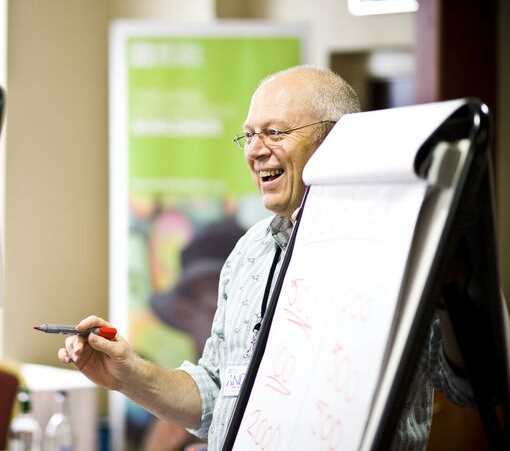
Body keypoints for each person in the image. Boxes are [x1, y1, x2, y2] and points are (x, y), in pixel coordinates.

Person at [58, 65, 473, 450]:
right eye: (249, 134)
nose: (254, 151)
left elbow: (471, 388)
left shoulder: (399, 247)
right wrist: (128, 373)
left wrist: (461, 293)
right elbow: (215, 396)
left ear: (334, 138)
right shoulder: (250, 251)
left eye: (274, 132)